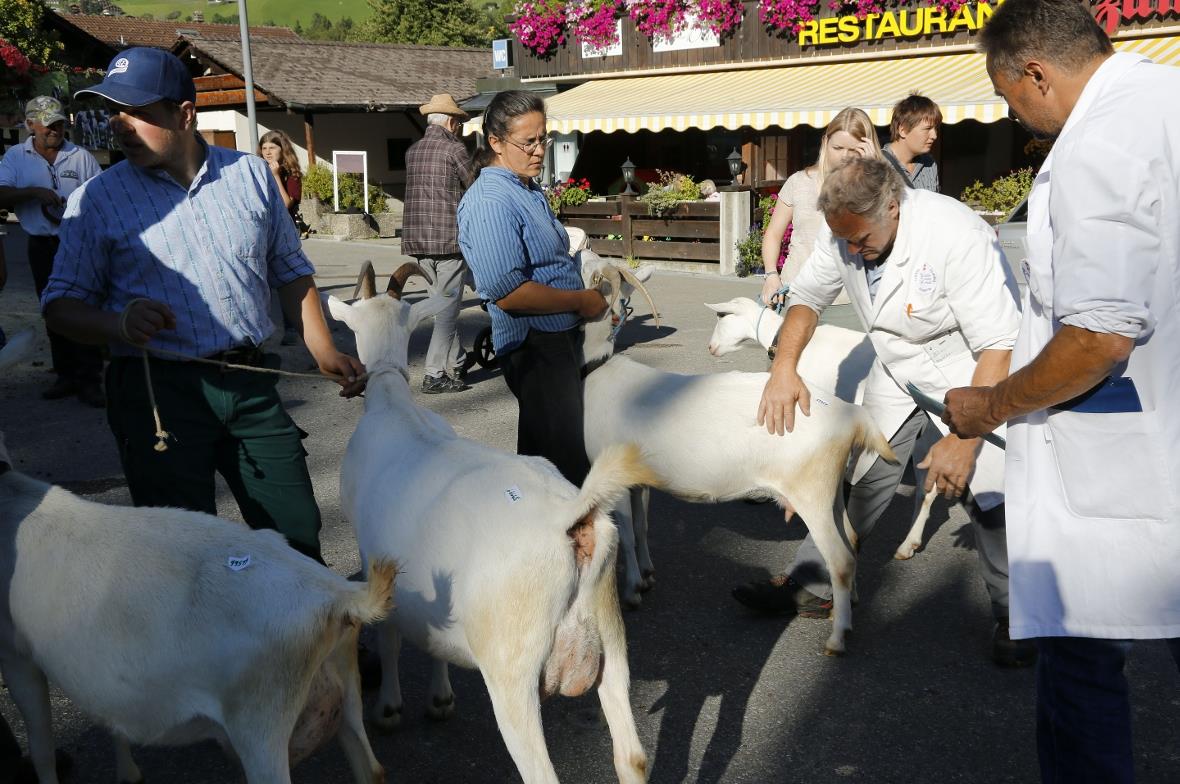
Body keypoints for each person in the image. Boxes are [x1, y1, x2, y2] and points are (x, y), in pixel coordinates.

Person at [942, 0, 1180, 779]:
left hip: (1116, 457)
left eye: (1010, 97)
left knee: (1079, 658)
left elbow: (1095, 337)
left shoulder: (1096, 146)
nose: (1018, 117)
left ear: (1035, 72)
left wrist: (989, 405)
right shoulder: (1166, 100)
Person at [40, 47, 365, 563]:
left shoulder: (251, 176)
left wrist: (323, 349)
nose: (121, 125)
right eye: (112, 112)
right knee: (180, 555)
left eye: (138, 112)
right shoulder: (96, 201)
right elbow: (59, 307)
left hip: (251, 383)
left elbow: (291, 272)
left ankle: (316, 644)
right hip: (157, 394)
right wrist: (118, 323)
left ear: (184, 114)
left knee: (296, 535)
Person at [736, 157, 1035, 667]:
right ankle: (815, 583)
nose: (852, 251)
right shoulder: (845, 233)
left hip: (970, 373)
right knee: (860, 476)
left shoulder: (954, 233)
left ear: (892, 206)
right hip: (896, 368)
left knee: (988, 496)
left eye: (859, 239)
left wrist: (964, 442)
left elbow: (999, 345)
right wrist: (783, 368)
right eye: (843, 241)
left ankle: (1017, 616)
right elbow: (807, 299)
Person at [457, 90, 607, 485]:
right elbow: (509, 292)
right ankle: (562, 542)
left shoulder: (524, 187)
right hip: (534, 345)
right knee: (562, 468)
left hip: (555, 337)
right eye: (528, 142)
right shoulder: (490, 199)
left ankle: (552, 541)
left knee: (551, 461)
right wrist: (581, 300)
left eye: (544, 139)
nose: (540, 150)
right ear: (495, 143)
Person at [0, 96, 105, 406]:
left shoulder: (81, 156)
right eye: (48, 125)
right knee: (53, 309)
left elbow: (102, 196)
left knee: (83, 305)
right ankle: (66, 374)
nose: (55, 130)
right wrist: (33, 192)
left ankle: (90, 378)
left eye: (59, 123)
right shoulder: (15, 157)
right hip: (42, 245)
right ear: (30, 124)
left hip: (77, 243)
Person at [760, 107, 881, 306]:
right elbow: (773, 234)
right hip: (796, 293)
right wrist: (771, 275)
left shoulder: (874, 187)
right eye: (838, 148)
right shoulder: (798, 182)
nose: (844, 156)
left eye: (853, 150)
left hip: (850, 304)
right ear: (825, 141)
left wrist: (871, 175)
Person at [403, 93, 474, 394]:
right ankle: (434, 374)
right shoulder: (454, 148)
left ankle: (456, 359)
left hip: (418, 243)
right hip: (447, 242)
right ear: (451, 121)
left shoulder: (413, 151)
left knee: (441, 307)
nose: (458, 127)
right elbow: (474, 185)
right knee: (447, 312)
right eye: (457, 121)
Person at [258, 129, 305, 345]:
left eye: (272, 148)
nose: (267, 152)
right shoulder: (256, 171)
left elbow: (287, 204)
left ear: (282, 149)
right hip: (262, 230)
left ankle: (292, 329)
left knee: (287, 280)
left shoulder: (291, 174)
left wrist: (276, 176)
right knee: (260, 280)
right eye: (264, 148)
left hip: (285, 231)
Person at [881, 93, 941, 192]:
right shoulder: (877, 166)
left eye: (935, 128)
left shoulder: (929, 164)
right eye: (927, 129)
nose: (934, 136)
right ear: (903, 130)